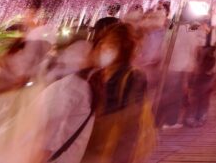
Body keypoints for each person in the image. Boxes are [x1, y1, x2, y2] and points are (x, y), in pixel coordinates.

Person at [82, 23, 155, 163]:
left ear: (124, 49)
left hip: (113, 147)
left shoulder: (134, 76)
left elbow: (132, 122)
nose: (104, 49)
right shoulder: (95, 75)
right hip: (90, 142)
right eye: (103, 44)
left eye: (111, 45)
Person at [157, 20, 207, 128]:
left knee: (166, 93)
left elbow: (164, 44)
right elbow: (194, 46)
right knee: (176, 95)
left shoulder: (171, 25)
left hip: (169, 64)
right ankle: (170, 121)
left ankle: (158, 119)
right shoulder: (191, 27)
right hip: (182, 65)